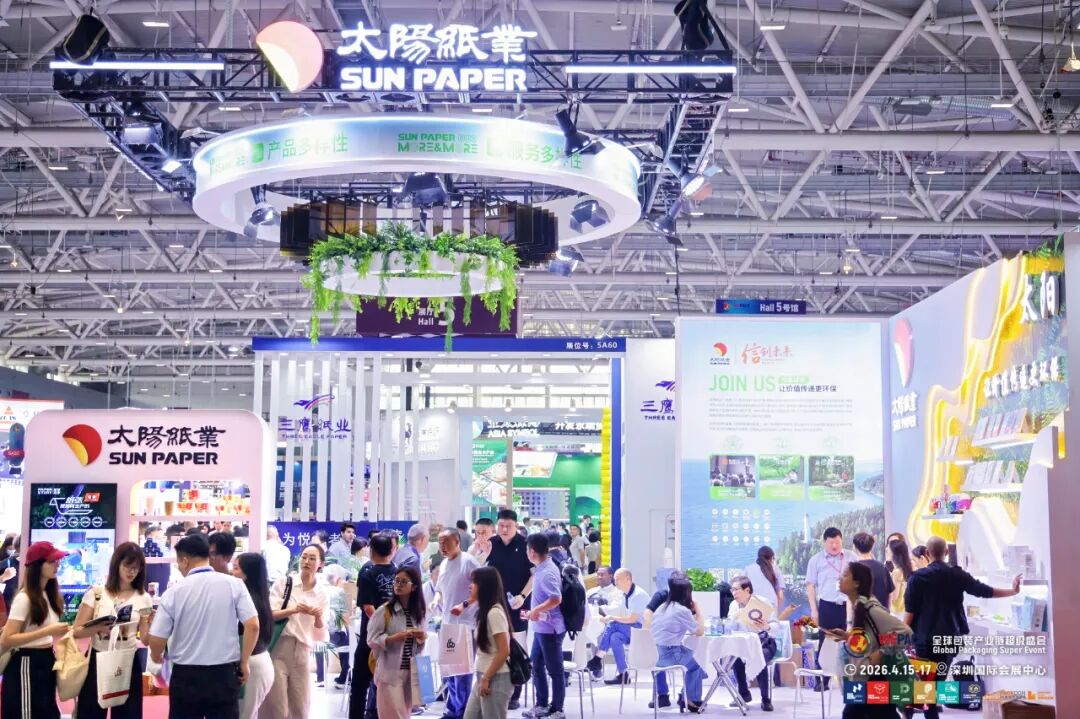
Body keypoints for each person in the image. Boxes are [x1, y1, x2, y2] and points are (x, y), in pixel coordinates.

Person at [903, 536, 1021, 719]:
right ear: (946, 552)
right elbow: (984, 591)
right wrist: (1013, 591)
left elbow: (910, 613)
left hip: (925, 641)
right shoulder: (957, 575)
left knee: (925, 688)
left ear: (926, 553)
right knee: (934, 687)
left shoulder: (917, 578)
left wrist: (900, 637)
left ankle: (913, 713)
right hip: (950, 639)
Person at [148, 533, 259, 719]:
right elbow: (253, 625)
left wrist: (155, 655)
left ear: (184, 561)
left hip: (186, 676)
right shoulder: (234, 584)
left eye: (178, 563)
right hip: (223, 674)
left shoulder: (173, 592)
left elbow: (158, 639)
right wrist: (244, 661)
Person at [73, 542, 154, 719]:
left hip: (128, 660)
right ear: (117, 564)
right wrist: (98, 627)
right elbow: (77, 631)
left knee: (128, 713)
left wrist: (152, 623)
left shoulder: (144, 598)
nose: (131, 572)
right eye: (127, 566)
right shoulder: (96, 594)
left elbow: (145, 639)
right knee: (91, 711)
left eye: (136, 568)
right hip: (98, 658)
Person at [828, 562, 912, 719]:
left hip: (874, 678)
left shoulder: (871, 610)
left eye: (845, 575)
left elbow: (907, 634)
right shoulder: (860, 607)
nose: (840, 578)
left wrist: (882, 652)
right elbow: (870, 639)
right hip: (865, 677)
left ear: (856, 583)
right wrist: (847, 636)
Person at [0, 541, 70, 719]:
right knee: (27, 712)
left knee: (45, 710)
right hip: (26, 661)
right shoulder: (24, 598)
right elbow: (7, 638)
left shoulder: (48, 594)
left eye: (57, 561)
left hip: (45, 658)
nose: (57, 565)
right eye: (52, 561)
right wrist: (48, 631)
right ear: (37, 565)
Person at [262, 543, 328, 718]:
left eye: (312, 558)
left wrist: (318, 617)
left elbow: (321, 630)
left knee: (300, 705)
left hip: (303, 649)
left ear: (321, 563)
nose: (306, 561)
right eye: (304, 557)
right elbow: (269, 614)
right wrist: (293, 610)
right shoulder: (285, 583)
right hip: (279, 647)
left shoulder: (321, 592)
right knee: (277, 706)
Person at [484, 509, 534, 710]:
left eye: (509, 526)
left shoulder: (525, 545)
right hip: (493, 606)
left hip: (518, 605)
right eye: (501, 526)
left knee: (517, 647)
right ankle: (493, 685)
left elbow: (535, 574)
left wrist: (523, 595)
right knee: (493, 645)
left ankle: (516, 692)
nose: (504, 529)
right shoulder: (491, 544)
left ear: (516, 525)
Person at [368, 566, 428, 719]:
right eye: (396, 581)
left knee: (404, 715)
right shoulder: (384, 611)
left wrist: (421, 639)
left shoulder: (419, 613)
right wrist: (394, 638)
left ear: (414, 587)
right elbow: (371, 640)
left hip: (410, 674)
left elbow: (419, 647)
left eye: (403, 582)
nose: (398, 585)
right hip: (389, 673)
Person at [350, 532, 398, 719]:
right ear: (391, 549)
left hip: (370, 638)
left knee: (359, 685)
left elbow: (368, 608)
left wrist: (380, 626)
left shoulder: (367, 573)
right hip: (394, 638)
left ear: (371, 551)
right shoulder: (399, 572)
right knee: (388, 686)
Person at [805, 526, 857, 690]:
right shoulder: (816, 560)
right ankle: (822, 681)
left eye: (837, 542)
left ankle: (850, 680)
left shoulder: (851, 557)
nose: (834, 546)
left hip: (847, 606)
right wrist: (814, 610)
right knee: (824, 642)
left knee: (850, 642)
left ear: (842, 541)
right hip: (827, 606)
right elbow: (810, 586)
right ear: (824, 543)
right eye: (831, 543)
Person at [436, 529, 480, 719]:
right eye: (440, 542)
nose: (442, 546)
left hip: (465, 624)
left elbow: (481, 588)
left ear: (457, 541)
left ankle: (462, 712)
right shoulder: (444, 563)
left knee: (462, 671)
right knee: (450, 670)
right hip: (448, 623)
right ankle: (452, 709)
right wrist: (435, 599)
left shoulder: (469, 561)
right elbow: (440, 589)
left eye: (446, 542)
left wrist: (464, 605)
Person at [648, 573, 706, 714]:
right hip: (670, 654)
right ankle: (690, 699)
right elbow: (699, 631)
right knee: (698, 663)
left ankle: (687, 695)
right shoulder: (682, 610)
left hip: (655, 653)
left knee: (697, 660)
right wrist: (698, 611)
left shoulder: (662, 607)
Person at [523, 533, 565, 719]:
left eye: (527, 549)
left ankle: (557, 709)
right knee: (537, 665)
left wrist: (536, 610)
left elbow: (556, 598)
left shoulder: (547, 571)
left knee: (555, 670)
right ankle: (542, 704)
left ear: (532, 551)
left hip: (550, 629)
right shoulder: (542, 568)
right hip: (542, 628)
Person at [462, 567, 513, 719]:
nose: (470, 586)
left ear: (484, 586)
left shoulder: (494, 613)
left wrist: (486, 677)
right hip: (484, 674)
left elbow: (504, 651)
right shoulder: (485, 611)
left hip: (496, 676)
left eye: (474, 582)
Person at [586, 568, 649, 685]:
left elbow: (632, 619)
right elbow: (624, 616)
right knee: (615, 638)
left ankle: (597, 658)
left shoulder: (638, 595)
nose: (615, 582)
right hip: (631, 629)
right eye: (615, 579)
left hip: (643, 630)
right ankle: (623, 674)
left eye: (618, 579)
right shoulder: (624, 594)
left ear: (628, 579)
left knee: (612, 624)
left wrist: (611, 617)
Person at [232, 553, 276, 719]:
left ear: (247, 574)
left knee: (244, 714)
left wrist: (243, 662)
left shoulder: (249, 600)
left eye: (236, 568)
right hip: (259, 662)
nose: (232, 572)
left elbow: (253, 627)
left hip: (252, 665)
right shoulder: (259, 596)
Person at [726, 576, 777, 712]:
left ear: (747, 590)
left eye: (736, 589)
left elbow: (776, 626)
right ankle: (744, 694)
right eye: (732, 590)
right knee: (735, 657)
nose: (733, 593)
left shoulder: (762, 602)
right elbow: (729, 628)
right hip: (744, 643)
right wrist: (735, 617)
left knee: (759, 657)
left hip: (765, 642)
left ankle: (765, 699)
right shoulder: (733, 605)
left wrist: (767, 626)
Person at [853, 532, 895, 608]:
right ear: (872, 547)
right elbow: (891, 593)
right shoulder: (882, 568)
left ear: (854, 547)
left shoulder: (853, 570)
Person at [745, 545, 786, 610]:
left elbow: (743, 592)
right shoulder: (776, 571)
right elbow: (780, 597)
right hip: (771, 608)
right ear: (772, 558)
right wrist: (776, 612)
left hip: (753, 608)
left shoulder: (748, 569)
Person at [888, 539, 915, 614]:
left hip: (898, 611)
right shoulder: (911, 565)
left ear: (894, 553)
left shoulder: (897, 572)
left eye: (888, 550)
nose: (886, 551)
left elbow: (894, 596)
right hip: (908, 609)